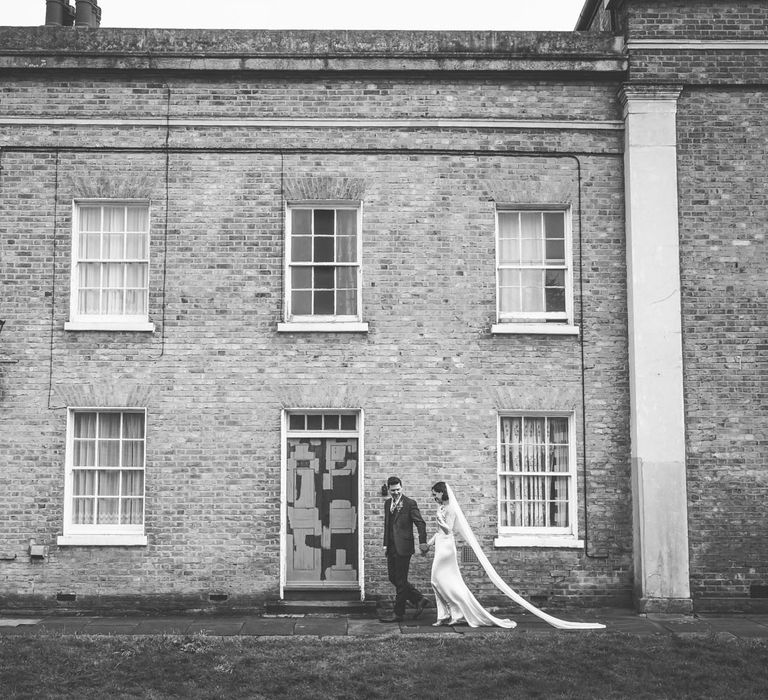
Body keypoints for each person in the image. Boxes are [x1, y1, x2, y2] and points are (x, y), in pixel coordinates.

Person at [426, 481, 605, 630]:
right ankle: (450, 614)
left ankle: (453, 613)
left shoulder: (450, 509)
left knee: (437, 580)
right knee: (440, 582)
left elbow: (448, 530)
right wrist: (429, 543)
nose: (434, 497)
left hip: (447, 549)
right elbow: (439, 533)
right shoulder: (441, 507)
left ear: (443, 493)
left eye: (436, 494)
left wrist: (440, 520)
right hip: (440, 545)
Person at [379, 476, 432, 623]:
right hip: (391, 547)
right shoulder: (388, 503)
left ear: (401, 488)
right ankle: (419, 599)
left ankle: (398, 613)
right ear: (388, 489)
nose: (395, 492)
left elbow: (420, 523)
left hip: (404, 547)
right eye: (393, 490)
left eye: (398, 489)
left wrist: (422, 542)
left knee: (401, 581)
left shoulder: (409, 503)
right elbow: (387, 525)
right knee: (393, 577)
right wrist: (385, 544)